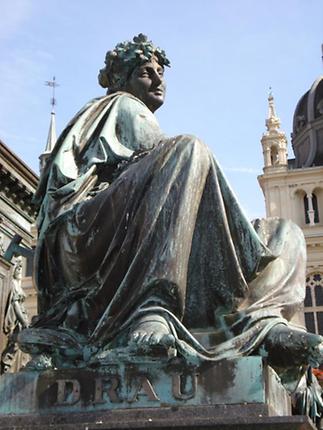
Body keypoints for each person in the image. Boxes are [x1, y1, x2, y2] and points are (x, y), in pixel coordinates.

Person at [19, 34, 323, 372]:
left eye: (161, 71)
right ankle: (151, 309)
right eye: (146, 72)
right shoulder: (121, 105)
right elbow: (169, 170)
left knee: (286, 232)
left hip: (126, 230)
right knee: (188, 150)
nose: (158, 79)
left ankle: (264, 322)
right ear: (122, 80)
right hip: (87, 237)